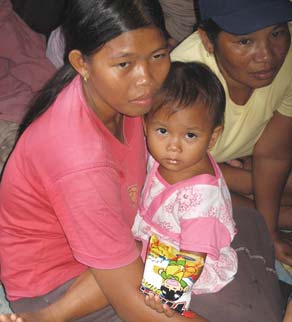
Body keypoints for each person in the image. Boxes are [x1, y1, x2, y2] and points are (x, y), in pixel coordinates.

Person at [0, 1, 285, 322]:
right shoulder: (80, 160)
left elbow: (191, 169)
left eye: (158, 56)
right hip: (64, 283)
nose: (146, 79)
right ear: (82, 63)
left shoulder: (128, 98)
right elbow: (133, 306)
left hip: (133, 240)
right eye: (124, 64)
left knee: (245, 221)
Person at [170, 0, 292, 267]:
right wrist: (248, 185)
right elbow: (175, 168)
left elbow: (273, 154)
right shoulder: (185, 79)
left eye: (277, 33)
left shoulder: (290, 60)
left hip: (239, 161)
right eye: (245, 42)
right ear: (207, 40)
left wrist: (270, 233)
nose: (267, 56)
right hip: (188, 173)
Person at [132, 61, 238, 300]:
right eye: (162, 131)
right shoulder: (168, 155)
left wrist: (168, 294)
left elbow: (193, 257)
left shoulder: (200, 199)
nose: (173, 146)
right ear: (146, 125)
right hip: (159, 237)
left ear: (212, 137)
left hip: (188, 258)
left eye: (190, 135)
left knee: (121, 261)